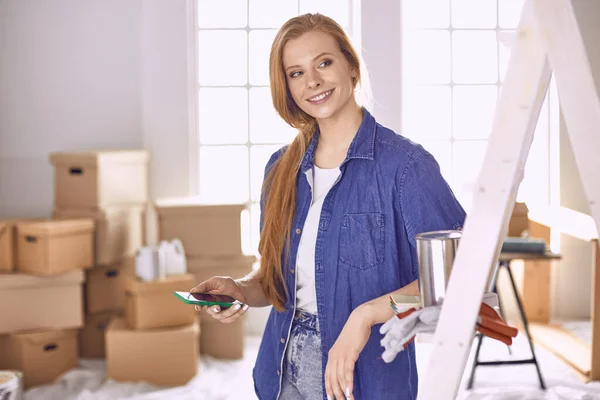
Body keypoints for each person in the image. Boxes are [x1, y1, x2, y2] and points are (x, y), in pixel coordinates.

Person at [190, 13, 466, 400]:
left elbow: (459, 275)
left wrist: (367, 314)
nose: (313, 81)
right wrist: (240, 289)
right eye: (296, 73)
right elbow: (278, 281)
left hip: (365, 377)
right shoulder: (279, 169)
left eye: (324, 62)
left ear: (351, 66)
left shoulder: (406, 167)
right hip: (281, 369)